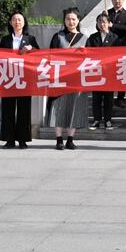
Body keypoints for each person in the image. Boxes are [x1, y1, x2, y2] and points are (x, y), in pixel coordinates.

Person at [46, 8, 89, 150]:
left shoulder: (84, 38)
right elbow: (50, 56)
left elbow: (90, 59)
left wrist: (84, 53)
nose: (71, 22)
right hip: (60, 78)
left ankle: (70, 139)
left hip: (77, 79)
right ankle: (59, 139)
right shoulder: (58, 37)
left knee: (75, 108)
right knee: (58, 108)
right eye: (68, 19)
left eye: (73, 19)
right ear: (64, 21)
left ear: (78, 20)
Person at [0, 11, 39, 149]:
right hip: (8, 78)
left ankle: (23, 139)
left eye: (20, 20)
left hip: (24, 79)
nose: (17, 22)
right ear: (10, 23)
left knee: (24, 110)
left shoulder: (30, 39)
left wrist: (31, 49)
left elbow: (39, 55)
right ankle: (9, 140)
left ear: (24, 22)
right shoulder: (5, 40)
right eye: (14, 20)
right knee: (7, 110)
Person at [87, 13, 118, 131]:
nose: (102, 24)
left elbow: (118, 54)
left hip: (109, 72)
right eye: (99, 21)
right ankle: (96, 119)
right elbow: (88, 52)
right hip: (96, 71)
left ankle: (108, 120)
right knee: (96, 97)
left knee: (109, 98)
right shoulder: (93, 37)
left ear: (109, 23)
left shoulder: (114, 37)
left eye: (104, 21)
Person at [107, 0, 126, 108]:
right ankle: (109, 97)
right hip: (109, 48)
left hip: (122, 48)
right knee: (110, 73)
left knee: (123, 73)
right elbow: (99, 27)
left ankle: (120, 98)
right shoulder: (107, 13)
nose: (117, 1)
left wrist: (113, 26)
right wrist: (104, 19)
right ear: (111, 0)